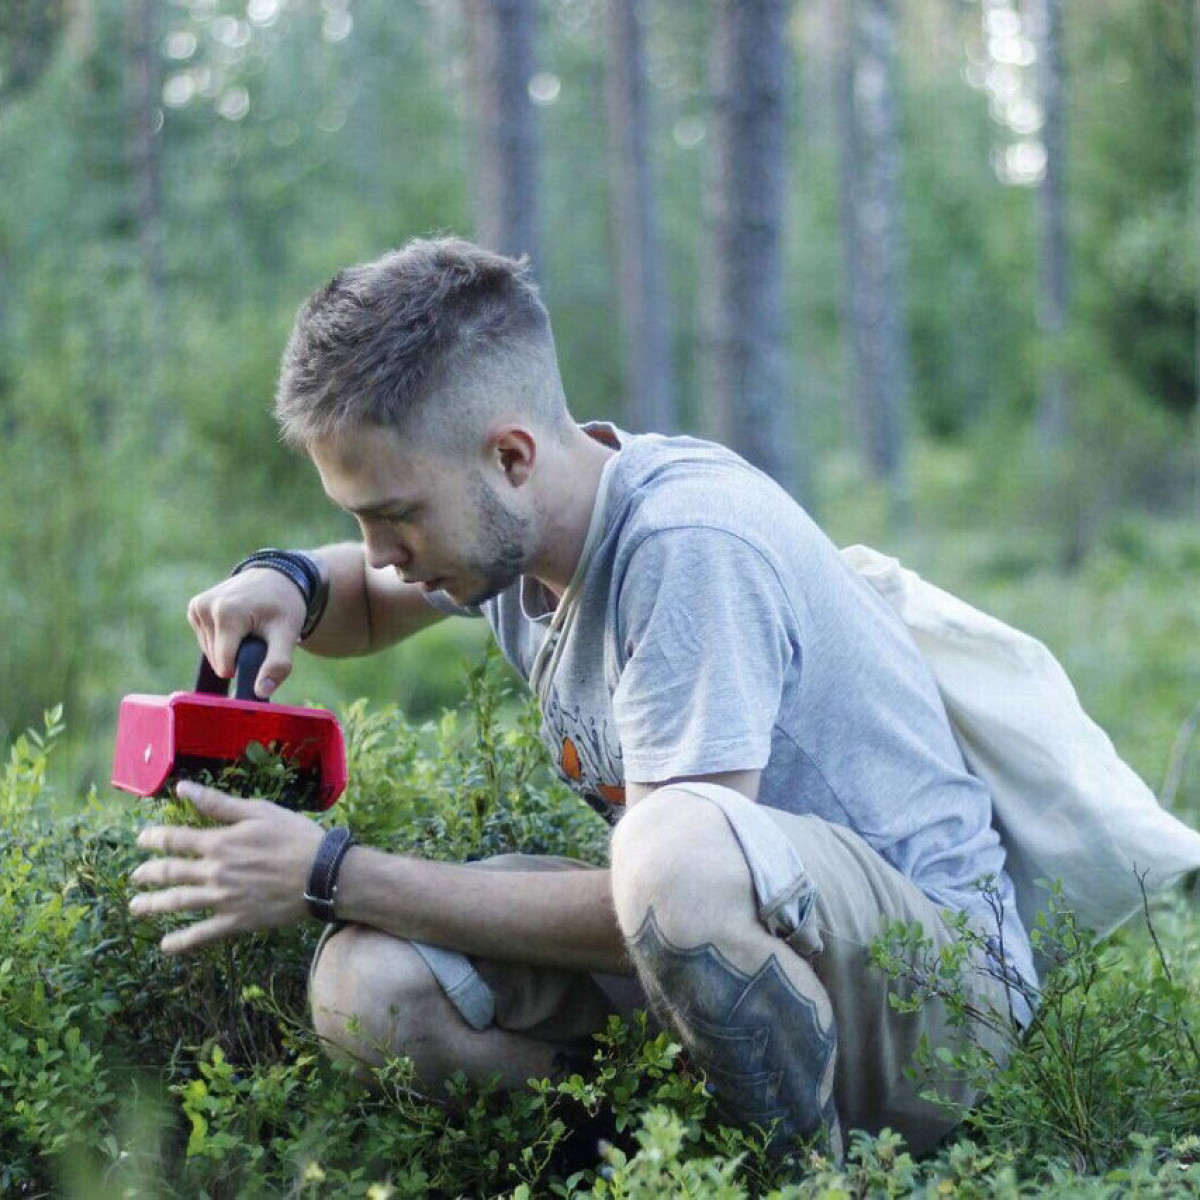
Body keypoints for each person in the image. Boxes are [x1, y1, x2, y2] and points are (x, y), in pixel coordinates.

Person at [129, 236, 1036, 1161]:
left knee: (669, 850)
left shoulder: (687, 548)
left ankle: (808, 1182)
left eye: (394, 515)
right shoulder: (515, 534)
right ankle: (670, 1171)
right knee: (369, 989)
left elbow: (661, 900)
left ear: (512, 456)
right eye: (358, 520)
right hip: (732, 974)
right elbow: (362, 599)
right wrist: (286, 581)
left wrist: (329, 874)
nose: (379, 552)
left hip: (936, 1011)